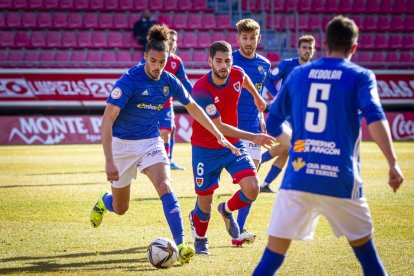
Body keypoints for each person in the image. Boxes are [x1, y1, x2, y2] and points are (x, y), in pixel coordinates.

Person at [253, 15, 404, 275]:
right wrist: (393, 162)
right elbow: (376, 117)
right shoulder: (360, 76)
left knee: (271, 259)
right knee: (368, 259)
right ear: (354, 47)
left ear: (323, 44)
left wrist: (297, 144)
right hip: (340, 179)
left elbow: (274, 120)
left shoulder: (299, 74)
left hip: (299, 179)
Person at [89, 25, 240, 265]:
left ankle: (180, 245)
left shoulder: (169, 81)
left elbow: (193, 107)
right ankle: (103, 200)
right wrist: (108, 159)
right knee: (120, 208)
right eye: (153, 61)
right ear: (145, 57)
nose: (157, 66)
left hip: (150, 141)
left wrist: (218, 134)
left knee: (165, 185)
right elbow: (107, 120)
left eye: (162, 61)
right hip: (122, 146)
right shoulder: (130, 80)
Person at [188, 41, 275, 255]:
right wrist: (254, 136)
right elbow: (217, 126)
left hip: (232, 145)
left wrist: (257, 97)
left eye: (227, 60)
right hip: (206, 148)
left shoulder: (236, 73)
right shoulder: (200, 90)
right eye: (218, 61)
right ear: (210, 61)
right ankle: (200, 240)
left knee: (253, 188)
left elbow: (243, 78)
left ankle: (226, 210)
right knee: (204, 204)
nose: (223, 65)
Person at [231, 18, 271, 246]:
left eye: (252, 37)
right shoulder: (229, 60)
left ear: (259, 38)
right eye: (244, 38)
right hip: (229, 129)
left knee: (252, 183)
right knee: (211, 181)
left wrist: (261, 120)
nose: (248, 42)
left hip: (253, 129)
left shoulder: (264, 65)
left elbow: (259, 97)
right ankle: (198, 216)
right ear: (237, 39)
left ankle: (239, 229)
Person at [260, 34, 315, 193]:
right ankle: (256, 162)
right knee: (289, 145)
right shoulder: (287, 65)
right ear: (298, 49)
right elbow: (269, 79)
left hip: (300, 116)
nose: (307, 50)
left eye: (309, 48)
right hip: (283, 114)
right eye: (304, 47)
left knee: (287, 149)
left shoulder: (314, 69)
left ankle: (264, 185)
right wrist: (278, 94)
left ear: (313, 50)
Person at [141, 29, 193, 170]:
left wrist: (195, 94)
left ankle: (167, 161)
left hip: (166, 104)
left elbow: (184, 81)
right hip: (149, 104)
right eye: (169, 40)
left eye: (174, 40)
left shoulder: (176, 61)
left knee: (166, 131)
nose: (171, 42)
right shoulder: (151, 57)